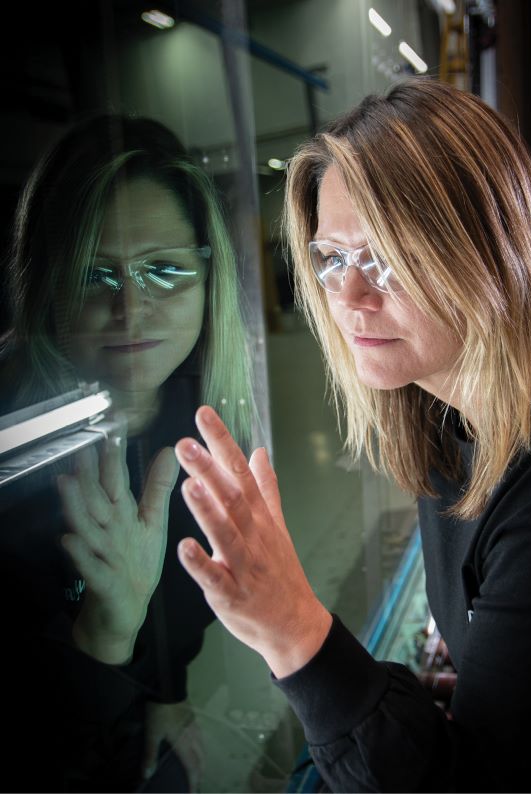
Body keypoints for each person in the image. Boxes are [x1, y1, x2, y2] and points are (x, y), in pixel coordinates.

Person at [171, 78, 531, 793]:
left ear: (486, 252)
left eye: (387, 257)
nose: (348, 298)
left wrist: (294, 630)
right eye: (333, 258)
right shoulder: (442, 405)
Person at [0, 114, 254, 791]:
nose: (134, 312)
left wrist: (168, 691)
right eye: (96, 275)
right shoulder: (13, 455)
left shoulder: (201, 418)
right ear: (46, 286)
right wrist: (105, 634)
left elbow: (179, 602)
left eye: (164, 269)